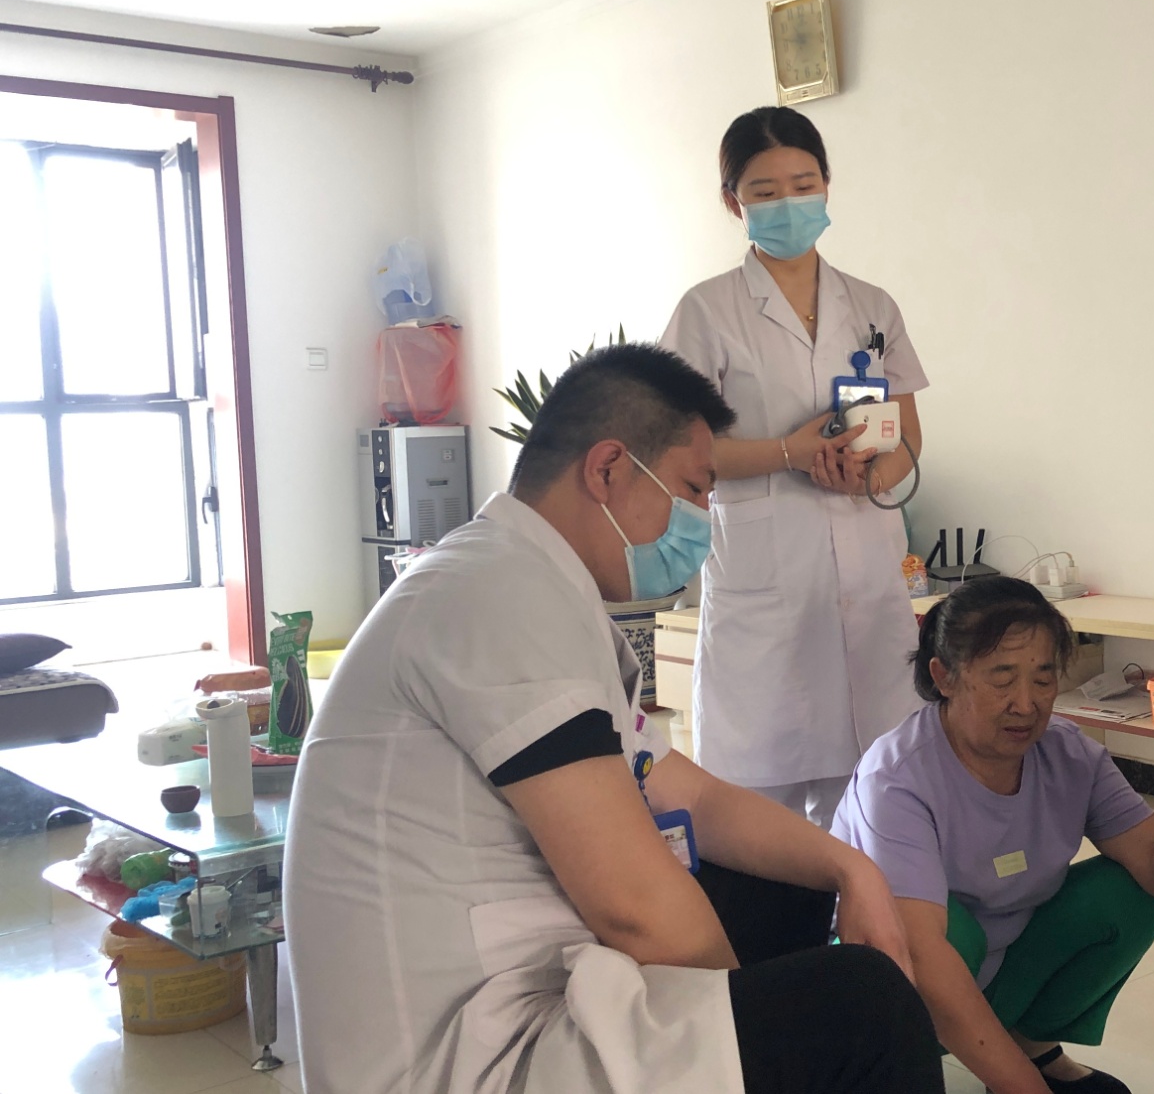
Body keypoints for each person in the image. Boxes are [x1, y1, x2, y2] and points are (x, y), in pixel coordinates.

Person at [284, 345, 943, 1094]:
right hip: (469, 1055)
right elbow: (633, 909)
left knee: (784, 886)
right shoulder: (495, 593)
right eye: (693, 490)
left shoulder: (531, 585)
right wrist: (751, 1032)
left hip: (529, 978)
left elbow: (686, 793)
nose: (701, 522)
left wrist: (851, 868)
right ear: (607, 469)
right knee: (865, 1007)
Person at [833, 576, 1154, 1094]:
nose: (1026, 704)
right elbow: (923, 958)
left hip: (999, 960)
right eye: (1002, 679)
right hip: (895, 989)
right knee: (953, 932)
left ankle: (1030, 1047)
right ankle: (915, 1067)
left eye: (1043, 679)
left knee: (1127, 896)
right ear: (945, 677)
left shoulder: (1069, 753)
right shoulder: (897, 777)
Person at [661, 105, 926, 826]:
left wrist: (873, 477)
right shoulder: (707, 311)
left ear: (828, 185)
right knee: (755, 818)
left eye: (803, 185)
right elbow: (679, 451)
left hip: (867, 583)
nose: (788, 203)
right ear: (733, 203)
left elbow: (908, 436)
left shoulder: (872, 306)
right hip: (763, 592)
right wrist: (789, 452)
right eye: (766, 191)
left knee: (872, 806)